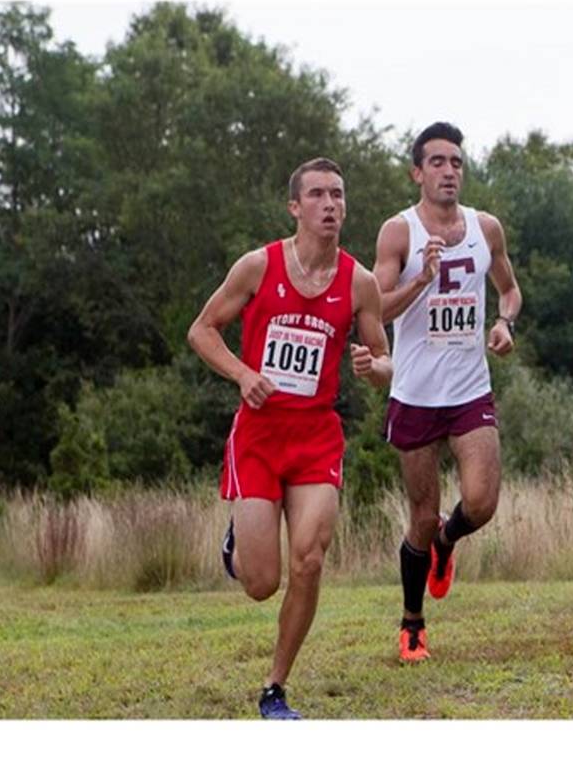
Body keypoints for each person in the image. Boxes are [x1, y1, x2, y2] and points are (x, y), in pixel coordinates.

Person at [187, 157, 392, 719]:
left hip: (316, 436)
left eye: (338, 195)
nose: (331, 205)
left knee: (309, 559)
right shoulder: (258, 266)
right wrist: (242, 374)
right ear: (295, 207)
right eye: (318, 195)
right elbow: (201, 330)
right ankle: (238, 542)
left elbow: (385, 360)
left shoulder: (359, 282)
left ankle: (275, 687)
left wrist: (372, 368)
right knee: (261, 583)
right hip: (258, 434)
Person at [372, 122, 522, 663]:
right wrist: (420, 280)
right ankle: (412, 622)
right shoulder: (399, 233)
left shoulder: (486, 228)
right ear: (417, 173)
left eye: (456, 161)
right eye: (437, 162)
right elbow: (374, 309)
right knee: (421, 514)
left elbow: (510, 289)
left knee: (481, 503)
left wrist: (504, 323)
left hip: (469, 389)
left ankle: (446, 541)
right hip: (414, 393)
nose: (449, 171)